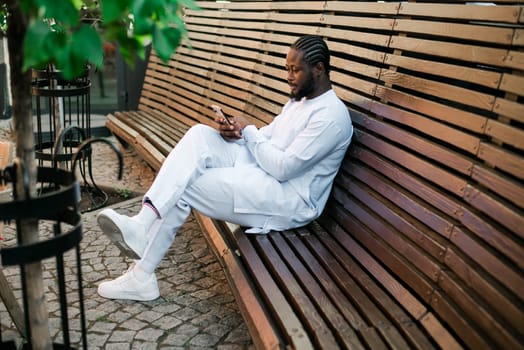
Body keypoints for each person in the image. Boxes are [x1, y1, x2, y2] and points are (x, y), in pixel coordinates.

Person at [96, 35, 353, 301]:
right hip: (263, 175)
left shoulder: (330, 117)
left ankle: (142, 275)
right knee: (199, 135)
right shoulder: (300, 101)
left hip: (287, 200)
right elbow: (267, 137)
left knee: (186, 184)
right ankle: (142, 222)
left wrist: (250, 131)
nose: (288, 76)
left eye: (295, 70)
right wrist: (238, 131)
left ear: (319, 69)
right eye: (287, 68)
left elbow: (284, 169)